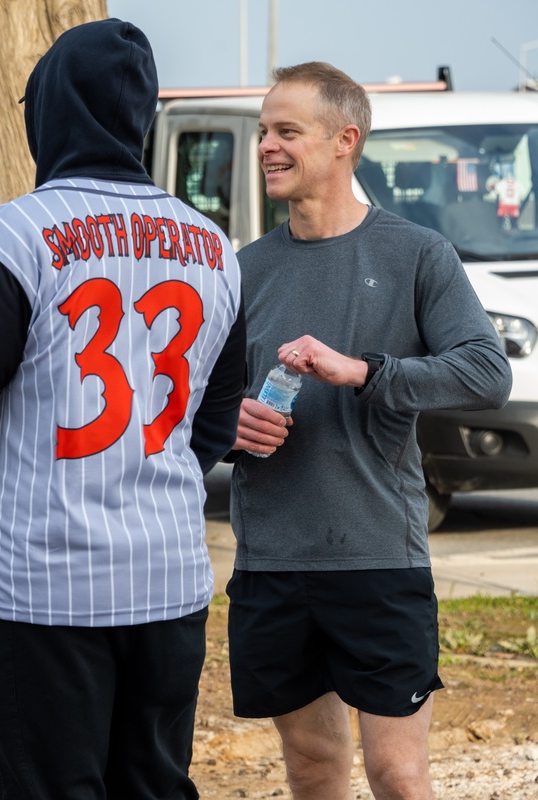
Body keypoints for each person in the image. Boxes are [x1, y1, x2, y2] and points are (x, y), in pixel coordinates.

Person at [0, 18, 246, 800]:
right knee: (151, 786)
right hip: (169, 582)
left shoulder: (18, 235)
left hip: (46, 587)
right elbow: (218, 411)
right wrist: (157, 466)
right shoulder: (212, 245)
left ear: (50, 113)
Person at [226, 62, 513, 799]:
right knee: (314, 767)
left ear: (344, 140)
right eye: (264, 132)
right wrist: (229, 422)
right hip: (273, 564)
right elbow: (190, 403)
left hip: (378, 557)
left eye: (287, 131)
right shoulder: (240, 271)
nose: (267, 146)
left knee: (397, 774)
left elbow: (487, 373)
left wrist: (367, 373)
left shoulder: (416, 254)